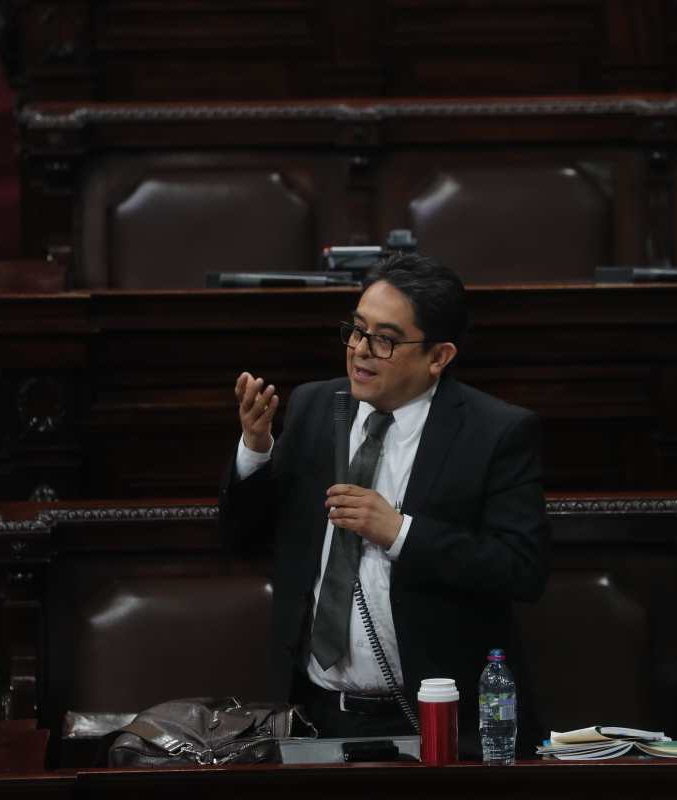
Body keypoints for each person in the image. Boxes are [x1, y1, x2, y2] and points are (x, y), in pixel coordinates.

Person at [219, 253, 550, 758]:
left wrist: (400, 533)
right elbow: (242, 538)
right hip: (313, 714)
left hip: (438, 720)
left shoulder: (495, 432)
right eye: (356, 330)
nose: (360, 351)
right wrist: (256, 449)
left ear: (438, 356)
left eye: (385, 340)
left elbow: (522, 569)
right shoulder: (314, 407)